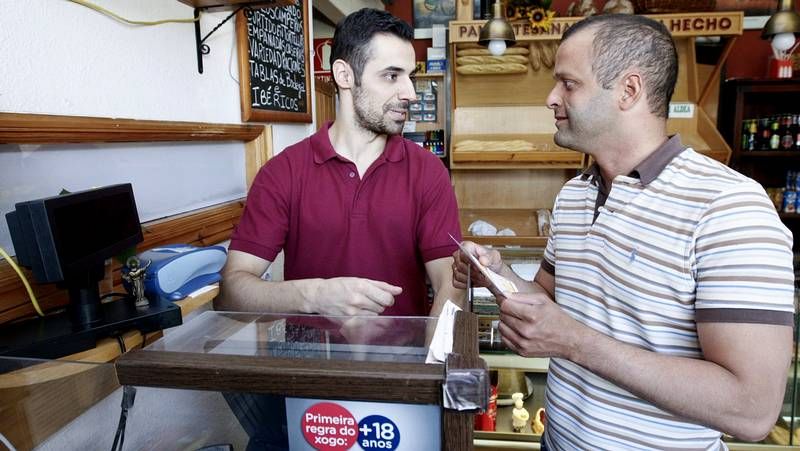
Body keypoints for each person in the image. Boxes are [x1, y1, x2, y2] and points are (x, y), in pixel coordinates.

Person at [453, 14, 795, 450]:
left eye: (568, 83)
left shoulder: (729, 208)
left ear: (628, 91)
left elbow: (752, 410)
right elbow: (551, 304)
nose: (551, 98)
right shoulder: (574, 196)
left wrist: (575, 343)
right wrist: (500, 275)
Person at [217, 8, 464, 450]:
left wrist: (428, 371)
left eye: (411, 75)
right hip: (308, 376)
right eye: (392, 76)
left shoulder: (428, 173)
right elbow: (233, 293)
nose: (409, 91)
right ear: (344, 75)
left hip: (400, 377)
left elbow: (448, 279)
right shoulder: (283, 173)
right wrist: (317, 295)